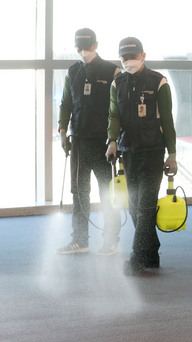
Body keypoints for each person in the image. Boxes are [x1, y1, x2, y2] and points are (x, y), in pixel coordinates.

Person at [106, 37, 178, 275]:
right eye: (124, 58)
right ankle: (152, 251)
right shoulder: (117, 82)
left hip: (153, 151)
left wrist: (173, 154)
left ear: (143, 56)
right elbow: (113, 115)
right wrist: (112, 141)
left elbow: (167, 120)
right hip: (128, 152)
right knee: (134, 205)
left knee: (145, 206)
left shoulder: (159, 82)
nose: (129, 62)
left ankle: (137, 257)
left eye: (133, 57)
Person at [56, 28, 121, 256]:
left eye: (87, 47)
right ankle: (80, 240)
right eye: (80, 48)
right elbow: (65, 104)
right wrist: (63, 132)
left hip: (103, 143)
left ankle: (110, 240)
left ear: (96, 45)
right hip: (79, 142)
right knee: (79, 191)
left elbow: (119, 109)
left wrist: (114, 140)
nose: (84, 52)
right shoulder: (72, 71)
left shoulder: (112, 70)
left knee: (107, 192)